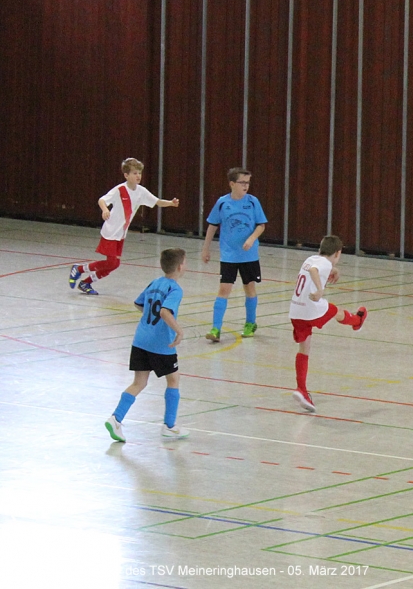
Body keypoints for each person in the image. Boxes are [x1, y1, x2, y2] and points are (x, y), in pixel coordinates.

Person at [105, 248, 190, 442]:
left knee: (139, 383)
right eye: (185, 262)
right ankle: (170, 426)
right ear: (179, 266)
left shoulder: (155, 283)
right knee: (173, 380)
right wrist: (179, 331)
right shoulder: (175, 289)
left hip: (141, 340)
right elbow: (164, 312)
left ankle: (116, 418)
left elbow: (138, 303)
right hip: (161, 344)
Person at [69, 158, 179, 295]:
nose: (138, 176)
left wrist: (171, 203)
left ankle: (86, 282)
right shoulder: (120, 190)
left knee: (114, 264)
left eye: (139, 173)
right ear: (126, 175)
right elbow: (102, 200)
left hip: (121, 233)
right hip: (110, 232)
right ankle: (79, 269)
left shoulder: (141, 191)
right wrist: (105, 209)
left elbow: (157, 201)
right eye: (134, 173)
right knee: (111, 263)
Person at [289, 235, 367, 412]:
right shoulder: (322, 264)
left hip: (296, 310)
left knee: (304, 349)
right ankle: (357, 321)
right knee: (336, 312)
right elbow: (315, 271)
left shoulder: (311, 259)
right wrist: (320, 289)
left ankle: (301, 389)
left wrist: (333, 269)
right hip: (311, 308)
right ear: (338, 253)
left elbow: (314, 267)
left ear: (320, 249)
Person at [201, 167, 268, 342]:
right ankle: (216, 328)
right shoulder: (222, 203)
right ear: (232, 184)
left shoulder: (253, 202)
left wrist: (252, 239)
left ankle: (250, 323)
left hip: (249, 256)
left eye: (248, 182)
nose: (246, 186)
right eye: (242, 182)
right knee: (224, 289)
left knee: (249, 288)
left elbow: (261, 225)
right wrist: (206, 248)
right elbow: (212, 225)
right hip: (229, 255)